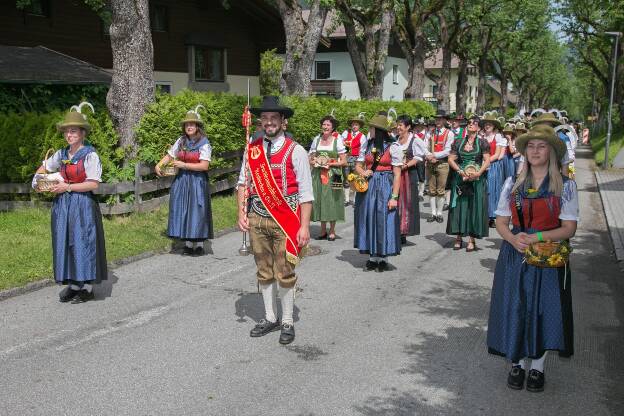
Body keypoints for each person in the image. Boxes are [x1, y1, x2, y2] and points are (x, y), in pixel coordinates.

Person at [487, 124, 578, 393]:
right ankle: (516, 363)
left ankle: (537, 368)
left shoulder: (565, 186)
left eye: (541, 146)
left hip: (548, 257)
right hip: (515, 255)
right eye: (531, 146)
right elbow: (501, 222)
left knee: (543, 310)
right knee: (515, 306)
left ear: (551, 152)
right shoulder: (512, 184)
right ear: (525, 152)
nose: (535, 151)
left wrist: (537, 238)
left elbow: (569, 228)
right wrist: (513, 239)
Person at [237, 96, 313, 345]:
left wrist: (303, 226)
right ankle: (270, 317)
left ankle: (287, 320)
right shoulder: (253, 149)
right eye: (265, 118)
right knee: (264, 270)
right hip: (257, 216)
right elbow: (242, 183)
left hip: (285, 220)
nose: (268, 122)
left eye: (274, 118)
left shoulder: (296, 150)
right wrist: (241, 213)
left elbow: (306, 193)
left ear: (283, 121)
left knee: (285, 271)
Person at [32, 103, 107, 303]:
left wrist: (67, 187)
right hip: (63, 206)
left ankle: (87, 287)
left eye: (73, 131)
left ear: (82, 133)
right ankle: (74, 285)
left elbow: (93, 184)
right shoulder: (62, 154)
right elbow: (44, 167)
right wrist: (38, 178)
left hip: (83, 205)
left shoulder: (90, 155)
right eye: (66, 131)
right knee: (66, 241)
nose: (69, 135)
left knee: (83, 242)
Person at [156, 106, 214, 255]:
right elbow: (170, 155)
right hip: (182, 180)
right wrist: (159, 164)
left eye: (192, 124)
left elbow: (204, 166)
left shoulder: (204, 143)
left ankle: (200, 244)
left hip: (197, 181)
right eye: (187, 125)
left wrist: (184, 165)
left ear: (197, 126)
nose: (189, 127)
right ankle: (188, 244)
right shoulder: (181, 141)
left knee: (197, 210)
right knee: (184, 209)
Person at [353, 112, 403, 272]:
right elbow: (358, 165)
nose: (370, 129)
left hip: (385, 185)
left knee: (383, 218)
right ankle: (372, 258)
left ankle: (383, 258)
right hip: (368, 186)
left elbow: (397, 174)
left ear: (378, 130)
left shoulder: (393, 147)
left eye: (372, 127)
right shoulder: (366, 144)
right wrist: (362, 172)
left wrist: (394, 197)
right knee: (368, 217)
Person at [446, 116, 491, 251]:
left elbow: (487, 160)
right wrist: (460, 171)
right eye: (469, 123)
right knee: (460, 207)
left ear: (479, 127)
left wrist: (479, 173)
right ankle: (458, 237)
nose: (471, 124)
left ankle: (472, 239)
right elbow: (451, 159)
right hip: (461, 177)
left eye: (474, 123)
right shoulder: (458, 142)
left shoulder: (483, 143)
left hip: (476, 179)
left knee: (474, 207)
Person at [309, 114, 347, 241]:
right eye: (324, 124)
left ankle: (332, 230)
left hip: (333, 175)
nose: (325, 127)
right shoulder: (316, 139)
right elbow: (311, 158)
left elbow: (344, 161)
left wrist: (329, 163)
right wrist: (315, 161)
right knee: (319, 199)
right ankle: (322, 229)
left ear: (332, 128)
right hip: (318, 174)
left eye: (328, 125)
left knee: (332, 201)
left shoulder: (338, 141)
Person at [396, 115, 425, 242]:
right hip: (396, 174)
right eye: (397, 125)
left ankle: (404, 231)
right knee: (396, 201)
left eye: (401, 125)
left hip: (409, 174)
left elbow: (419, 157)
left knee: (407, 202)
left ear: (408, 127)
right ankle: (396, 230)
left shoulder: (415, 139)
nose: (398, 127)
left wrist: (406, 165)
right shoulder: (395, 139)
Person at [425, 110, 453, 223]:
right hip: (431, 162)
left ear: (444, 120)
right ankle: (433, 213)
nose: (437, 120)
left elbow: (448, 150)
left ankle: (440, 213)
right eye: (436, 118)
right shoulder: (430, 132)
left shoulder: (449, 133)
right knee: (431, 189)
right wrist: (428, 156)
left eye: (440, 119)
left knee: (441, 190)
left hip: (442, 163)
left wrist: (434, 155)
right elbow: (425, 147)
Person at [482, 111, 507, 227]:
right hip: (481, 166)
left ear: (494, 126)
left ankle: (492, 216)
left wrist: (485, 162)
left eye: (490, 124)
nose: (487, 126)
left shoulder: (497, 137)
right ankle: (483, 214)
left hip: (493, 166)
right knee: (482, 190)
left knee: (492, 190)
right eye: (486, 124)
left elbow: (497, 154)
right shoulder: (480, 136)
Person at [341, 113, 366, 206]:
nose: (354, 126)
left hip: (356, 159)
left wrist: (360, 161)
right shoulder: (345, 133)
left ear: (359, 126)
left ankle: (355, 200)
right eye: (353, 124)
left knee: (356, 178)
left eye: (356, 124)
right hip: (347, 158)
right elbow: (340, 143)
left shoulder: (362, 136)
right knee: (347, 178)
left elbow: (363, 150)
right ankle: (347, 200)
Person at [412, 116, 429, 199]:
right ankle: (414, 191)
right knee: (413, 174)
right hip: (412, 157)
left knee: (421, 175)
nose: (417, 126)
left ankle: (421, 192)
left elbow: (428, 147)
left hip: (422, 157)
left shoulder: (427, 134)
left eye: (419, 125)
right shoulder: (412, 134)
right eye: (416, 125)